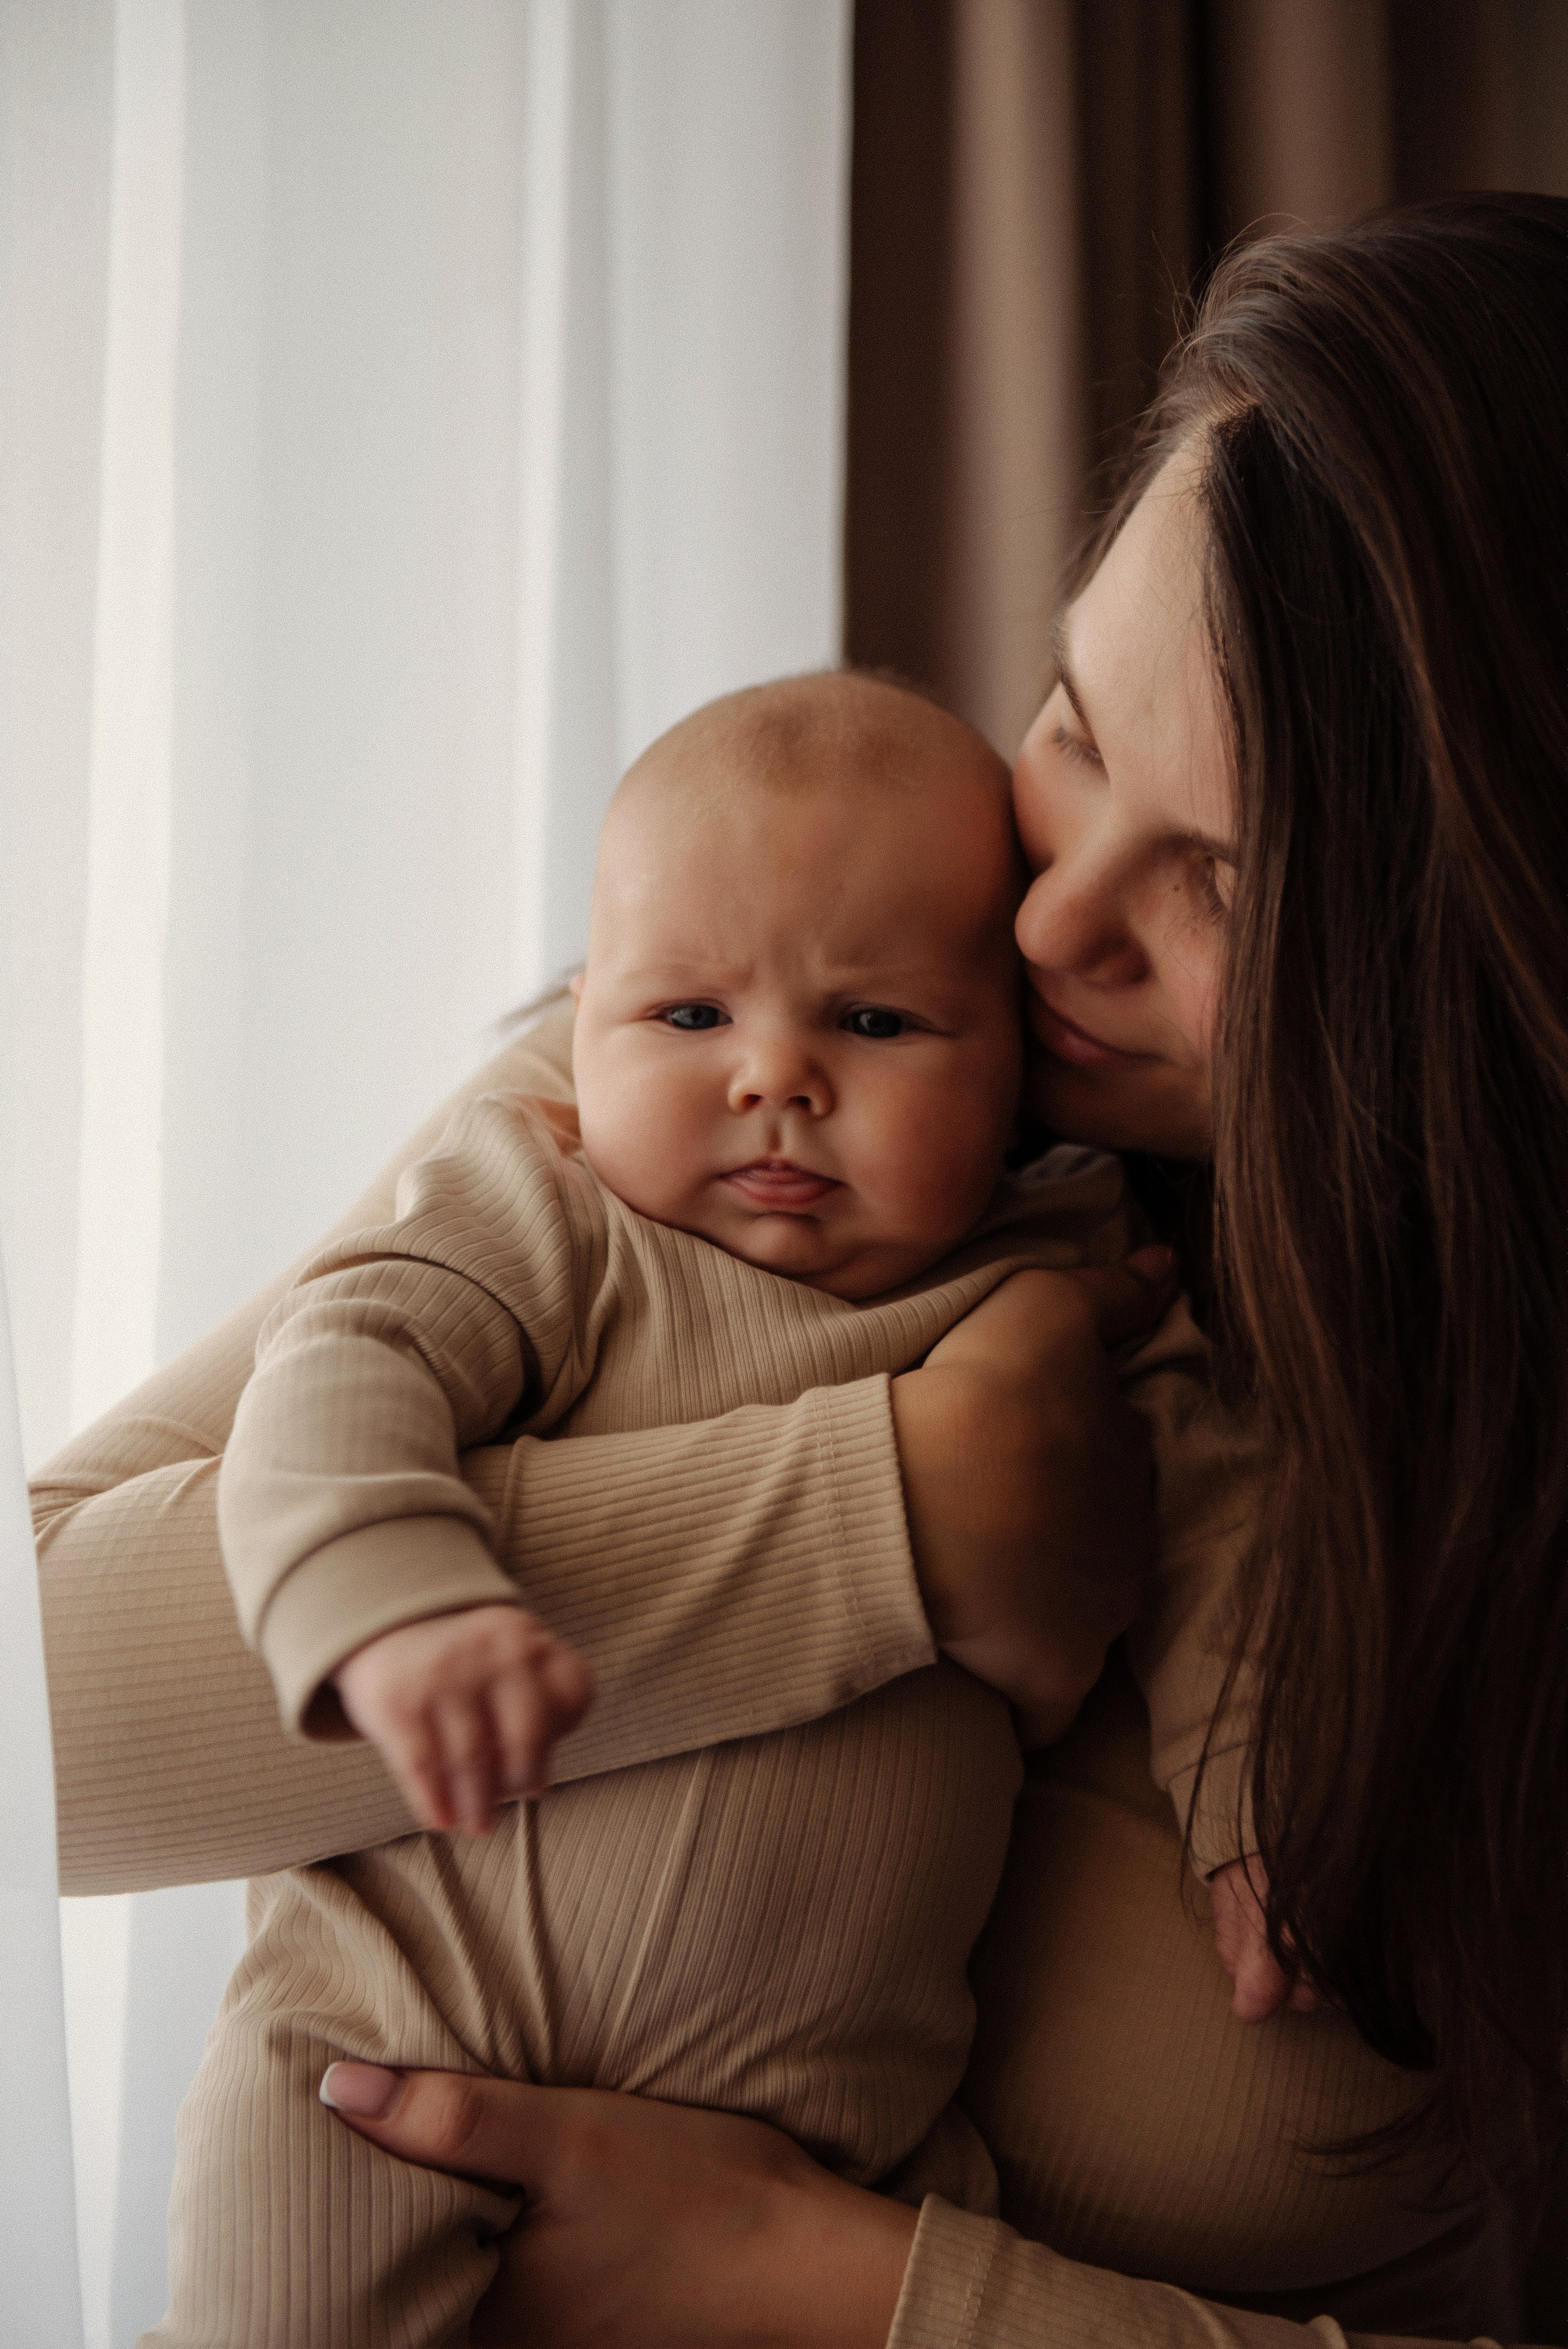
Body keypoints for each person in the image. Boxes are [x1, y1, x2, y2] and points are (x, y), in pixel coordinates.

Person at [32, 193, 1568, 2343]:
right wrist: (908, 1507)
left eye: (1222, 879)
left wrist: (855, 2291)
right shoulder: (718, 1070)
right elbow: (54, 1702)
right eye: (1076, 728)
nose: (1045, 934)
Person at [153, 672, 1256, 2347]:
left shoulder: (1066, 1269)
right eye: (688, 1018)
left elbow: (1221, 1528)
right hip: (382, 2044)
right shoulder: (552, 1205)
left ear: (1016, 1063)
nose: (774, 1081)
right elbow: (346, 1355)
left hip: (841, 2133)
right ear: (587, 1016)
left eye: (875, 1024)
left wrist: (1244, 1786)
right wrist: (386, 1588)